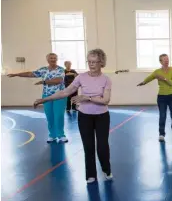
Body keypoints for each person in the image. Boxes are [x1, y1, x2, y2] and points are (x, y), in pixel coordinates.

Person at [33, 48, 113, 184]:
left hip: (102, 117)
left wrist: (86, 97)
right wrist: (45, 99)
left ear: (101, 63)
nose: (92, 64)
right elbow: (65, 92)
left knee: (102, 147)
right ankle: (90, 174)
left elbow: (105, 100)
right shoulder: (81, 77)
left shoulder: (106, 79)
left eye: (95, 62)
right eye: (89, 61)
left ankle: (106, 169)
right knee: (88, 147)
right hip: (85, 117)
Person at [7, 53, 68, 143]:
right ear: (47, 59)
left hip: (59, 95)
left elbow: (58, 80)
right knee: (49, 116)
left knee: (58, 116)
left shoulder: (60, 69)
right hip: (46, 96)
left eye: (55, 58)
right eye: (51, 58)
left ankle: (61, 135)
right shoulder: (43, 70)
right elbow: (30, 74)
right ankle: (52, 135)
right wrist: (16, 74)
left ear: (57, 59)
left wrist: (44, 81)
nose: (53, 59)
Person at [137, 54, 172, 142]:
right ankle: (161, 134)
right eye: (164, 59)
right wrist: (143, 82)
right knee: (162, 115)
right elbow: (150, 77)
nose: (167, 61)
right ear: (160, 61)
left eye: (167, 59)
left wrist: (164, 79)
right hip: (161, 97)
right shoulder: (157, 72)